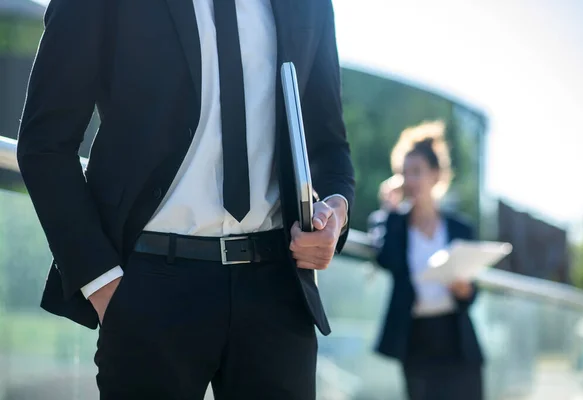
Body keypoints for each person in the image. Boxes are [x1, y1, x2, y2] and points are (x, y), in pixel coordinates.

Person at [16, 0, 355, 398]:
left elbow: (330, 149)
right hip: (149, 288)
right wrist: (104, 286)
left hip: (277, 290)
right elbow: (45, 144)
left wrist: (336, 211)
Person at [368, 121, 483, 400]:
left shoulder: (459, 228)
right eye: (404, 173)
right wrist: (391, 210)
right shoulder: (391, 223)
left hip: (457, 338)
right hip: (416, 339)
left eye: (417, 171)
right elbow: (387, 260)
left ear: (436, 175)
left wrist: (465, 291)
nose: (410, 180)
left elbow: (472, 290)